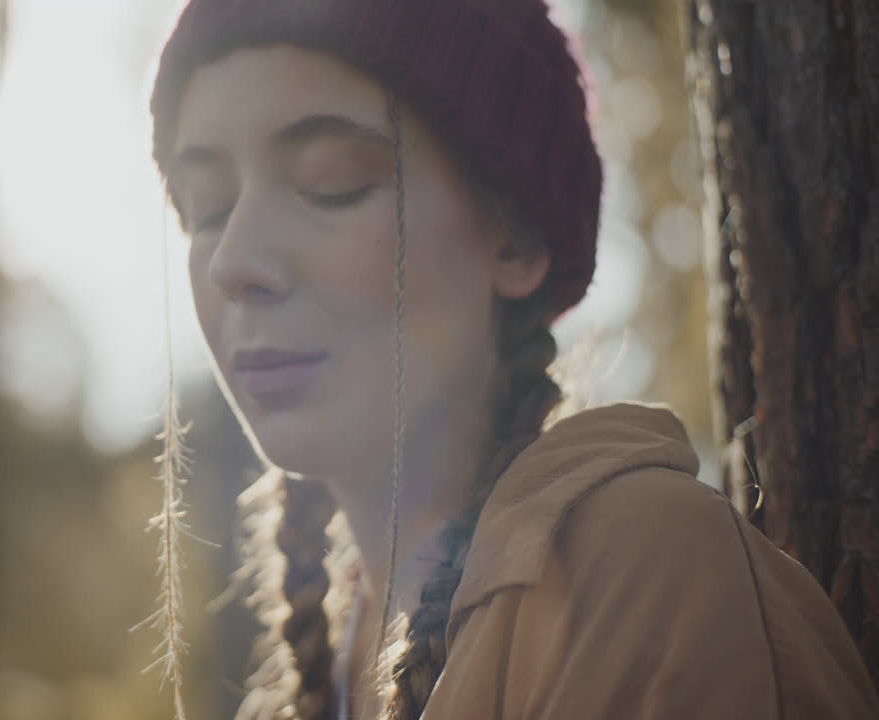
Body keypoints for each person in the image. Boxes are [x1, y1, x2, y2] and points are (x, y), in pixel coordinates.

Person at [148, 0, 879, 718]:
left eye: (331, 182)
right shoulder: (319, 670)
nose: (234, 261)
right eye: (205, 207)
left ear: (516, 239)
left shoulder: (650, 578)